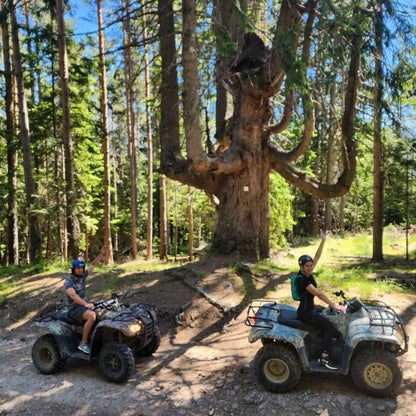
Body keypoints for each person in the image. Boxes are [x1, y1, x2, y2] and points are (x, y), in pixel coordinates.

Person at [295, 231, 346, 370]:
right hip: (306, 312)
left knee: (326, 313)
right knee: (329, 326)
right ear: (302, 267)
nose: (310, 267)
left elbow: (317, 256)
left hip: (310, 308)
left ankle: (319, 343)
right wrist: (334, 306)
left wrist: (323, 240)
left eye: (311, 265)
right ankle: (324, 357)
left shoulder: (307, 273)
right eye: (307, 266)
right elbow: (319, 294)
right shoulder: (303, 280)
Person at [64, 246, 107, 354]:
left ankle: (97, 338)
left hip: (83, 305)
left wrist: (101, 253)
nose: (80, 270)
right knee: (91, 315)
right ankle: (83, 344)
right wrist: (85, 304)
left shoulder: (82, 275)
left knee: (103, 311)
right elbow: (74, 296)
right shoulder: (68, 282)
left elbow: (93, 264)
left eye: (82, 268)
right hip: (74, 309)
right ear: (73, 269)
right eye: (78, 268)